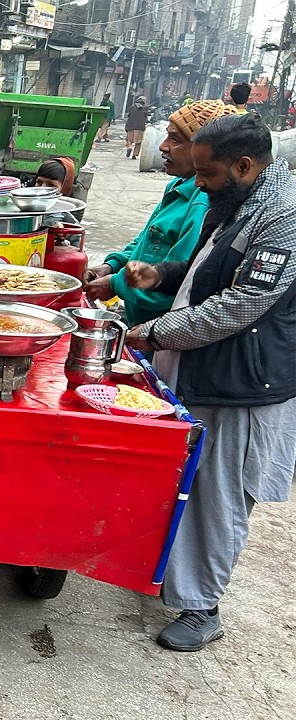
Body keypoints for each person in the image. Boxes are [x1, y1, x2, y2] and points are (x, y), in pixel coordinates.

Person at [119, 113, 296, 652]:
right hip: (202, 367)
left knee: (219, 495)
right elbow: (211, 268)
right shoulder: (239, 199)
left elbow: (241, 303)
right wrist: (165, 275)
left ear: (244, 165)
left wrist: (150, 334)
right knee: (182, 481)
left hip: (244, 382)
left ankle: (202, 608)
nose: (198, 183)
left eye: (208, 173)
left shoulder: (283, 216)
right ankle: (174, 573)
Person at [84, 100, 233, 325]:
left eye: (175, 140)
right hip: (138, 321)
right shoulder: (177, 186)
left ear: (203, 150)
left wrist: (116, 284)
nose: (163, 146)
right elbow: (147, 241)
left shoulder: (202, 202)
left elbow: (181, 278)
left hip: (159, 333)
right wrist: (111, 266)